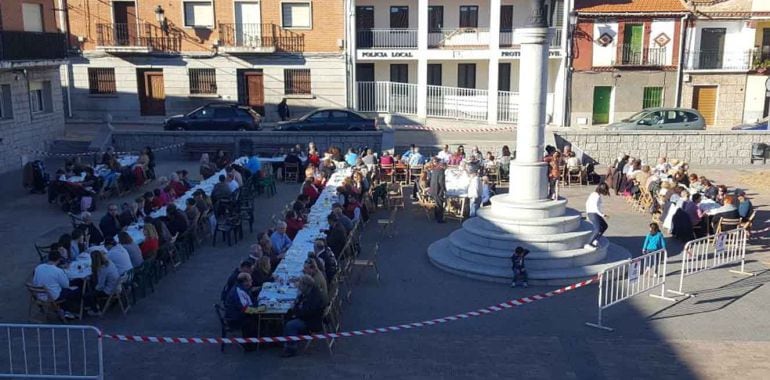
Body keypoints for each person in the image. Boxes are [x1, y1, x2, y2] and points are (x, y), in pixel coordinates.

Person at [282, 275, 326, 357]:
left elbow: (306, 312)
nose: (299, 287)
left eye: (300, 285)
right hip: (306, 317)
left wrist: (295, 313)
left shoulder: (314, 297)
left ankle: (291, 348)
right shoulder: (308, 292)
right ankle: (286, 342)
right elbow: (300, 305)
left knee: (290, 325)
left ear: (306, 285)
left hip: (311, 321)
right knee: (287, 317)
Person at [32, 251, 79, 319]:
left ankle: (63, 309)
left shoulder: (38, 267)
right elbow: (66, 285)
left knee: (66, 288)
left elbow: (34, 281)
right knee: (77, 289)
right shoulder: (57, 271)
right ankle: (69, 310)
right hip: (52, 296)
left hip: (39, 294)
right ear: (59, 259)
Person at [223, 273, 259, 351]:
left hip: (238, 314)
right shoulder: (238, 291)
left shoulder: (241, 288)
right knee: (254, 320)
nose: (252, 282)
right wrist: (258, 309)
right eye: (250, 280)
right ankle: (250, 345)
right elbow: (245, 309)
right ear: (245, 282)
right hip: (236, 318)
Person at [87, 249, 121, 314]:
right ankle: (97, 303)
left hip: (110, 290)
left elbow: (100, 286)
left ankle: (95, 311)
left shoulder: (102, 270)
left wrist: (94, 288)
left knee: (89, 294)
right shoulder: (109, 262)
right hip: (117, 286)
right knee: (92, 285)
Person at [585, 183, 610, 249]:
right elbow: (595, 208)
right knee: (597, 229)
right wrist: (602, 215)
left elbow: (587, 203)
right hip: (593, 213)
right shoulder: (596, 196)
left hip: (593, 213)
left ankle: (595, 240)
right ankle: (588, 244)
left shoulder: (594, 194)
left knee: (604, 226)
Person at [429, 158, 447, 223]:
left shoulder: (435, 170)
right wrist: (444, 189)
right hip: (438, 190)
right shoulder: (441, 171)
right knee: (440, 204)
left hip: (433, 189)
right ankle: (440, 219)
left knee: (437, 204)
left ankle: (436, 216)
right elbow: (441, 181)